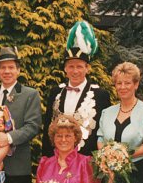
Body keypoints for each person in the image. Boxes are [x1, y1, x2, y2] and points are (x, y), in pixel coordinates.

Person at [42, 20, 111, 157]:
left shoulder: (100, 95)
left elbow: (104, 132)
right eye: (71, 66)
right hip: (58, 160)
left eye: (79, 66)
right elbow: (47, 130)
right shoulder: (56, 92)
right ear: (65, 69)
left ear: (87, 68)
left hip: (86, 161)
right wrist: (46, 159)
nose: (75, 71)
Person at [0, 47, 42, 183]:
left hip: (17, 167)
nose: (7, 71)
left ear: (18, 70)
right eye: (3, 67)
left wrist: (9, 137)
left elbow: (33, 126)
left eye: (11, 67)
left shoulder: (29, 94)